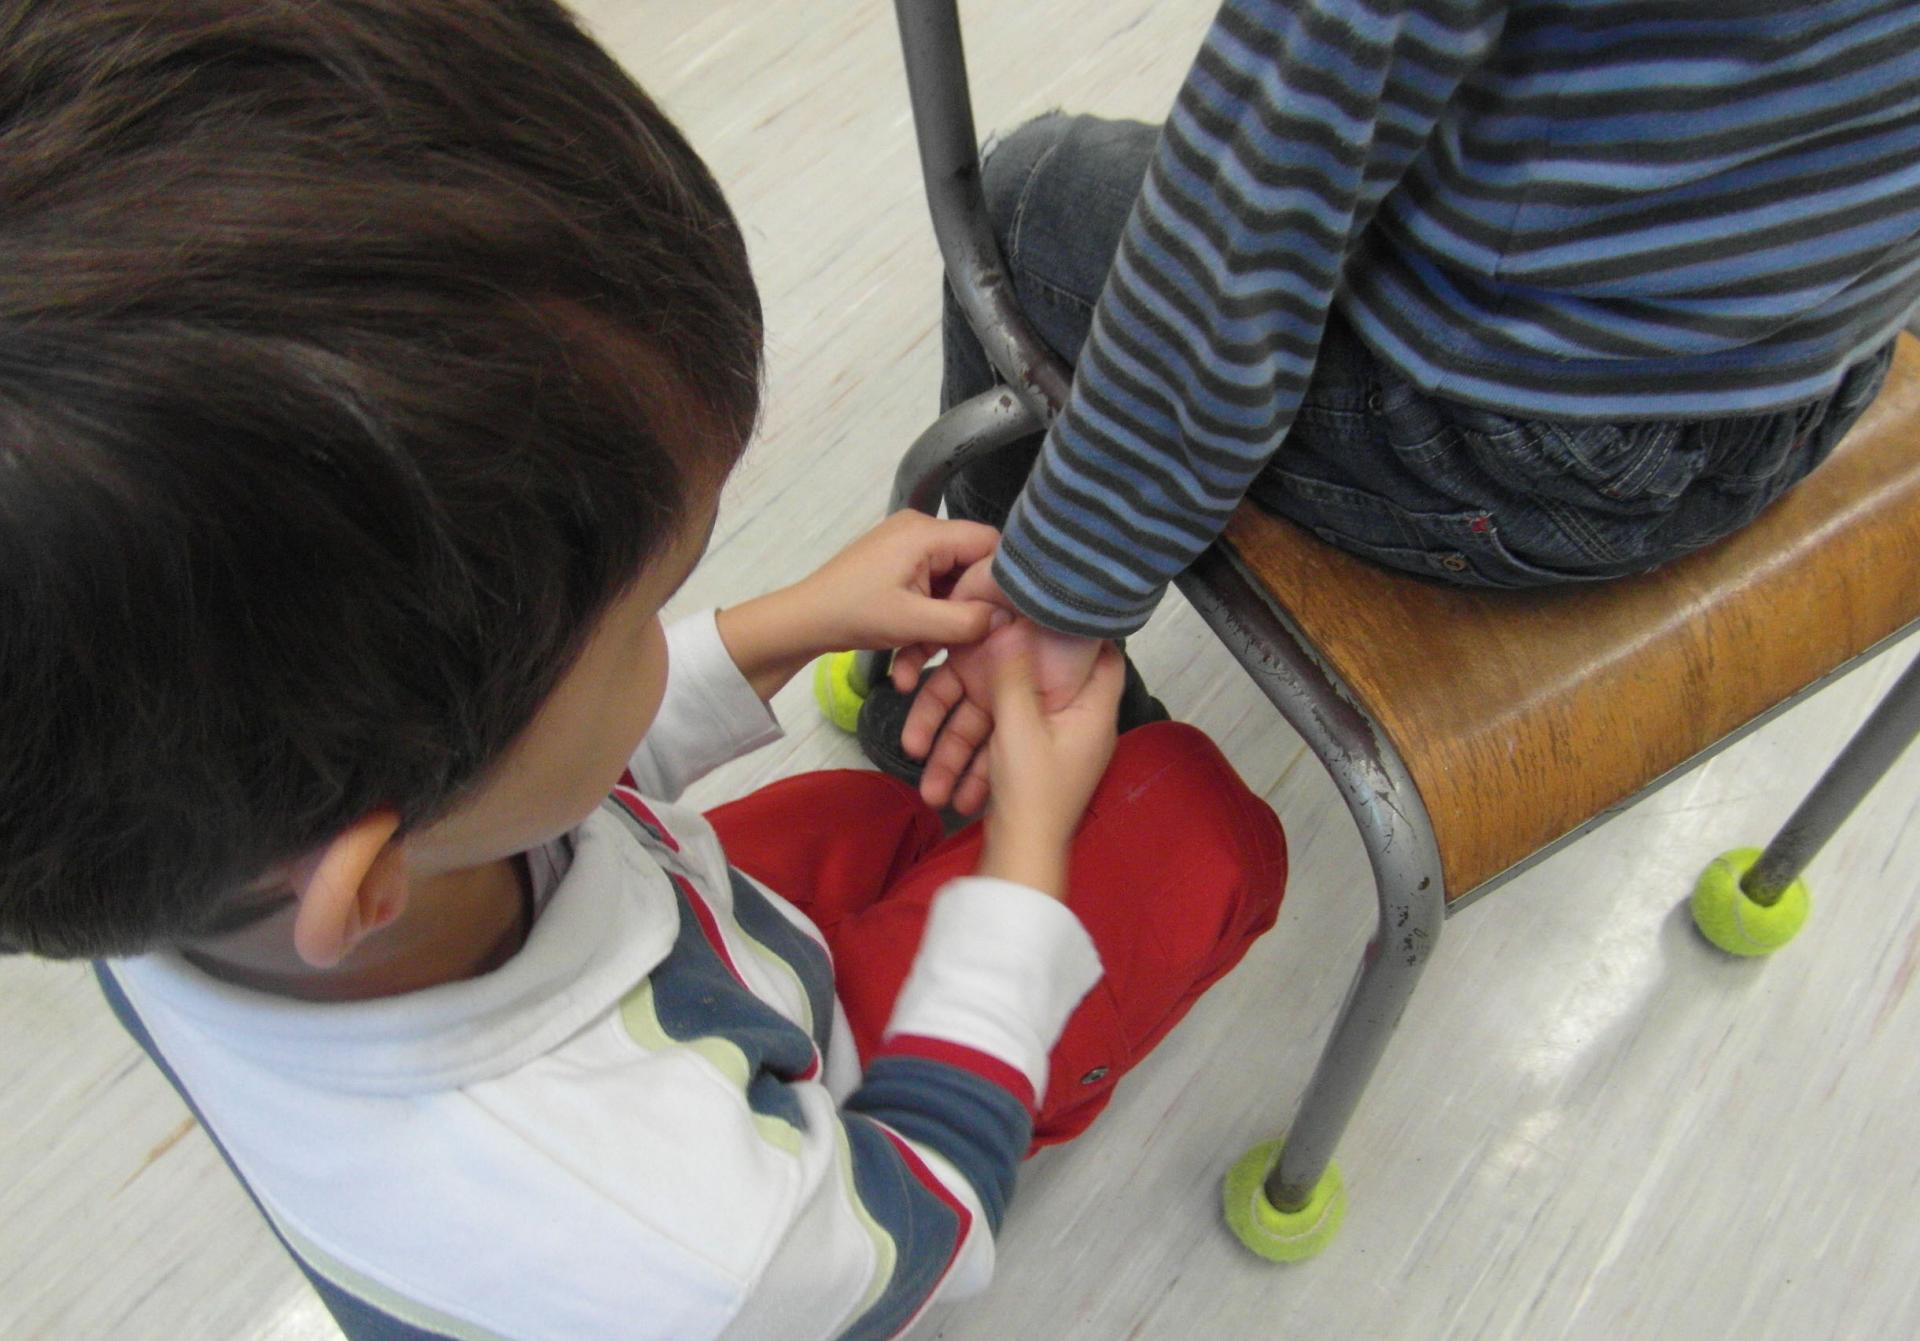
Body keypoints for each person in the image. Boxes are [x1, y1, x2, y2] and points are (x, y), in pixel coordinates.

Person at [0, 3, 1288, 1338]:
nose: (670, 623)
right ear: (369, 873)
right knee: (1203, 822)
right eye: (643, 616)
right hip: (828, 1174)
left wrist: (791, 621)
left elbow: (517, 784)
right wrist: (1023, 862)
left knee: (860, 819)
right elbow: (910, 1230)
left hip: (685, 932)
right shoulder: (685, 1243)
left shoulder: (177, 856)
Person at [874, 0, 1920, 813]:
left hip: (1512, 448)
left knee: (1018, 196)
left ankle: (989, 698)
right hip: (1819, 376)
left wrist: (1068, 587)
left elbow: (1251, 213)